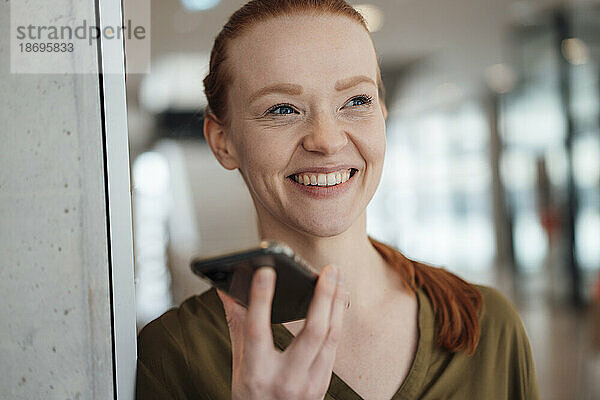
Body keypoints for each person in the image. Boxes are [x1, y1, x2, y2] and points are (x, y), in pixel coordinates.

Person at [136, 1, 539, 399]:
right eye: (282, 109)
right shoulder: (175, 355)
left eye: (357, 101)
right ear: (222, 142)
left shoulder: (487, 326)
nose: (327, 141)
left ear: (381, 113)